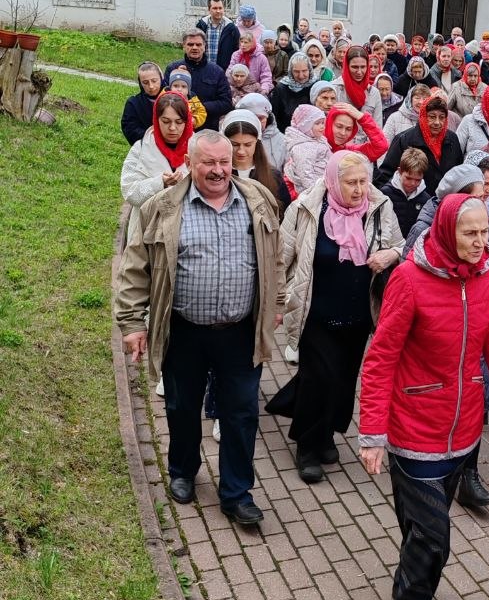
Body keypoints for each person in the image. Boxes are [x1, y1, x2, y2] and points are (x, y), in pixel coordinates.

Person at [357, 193, 489, 600]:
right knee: (434, 537)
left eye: (484, 231)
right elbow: (381, 357)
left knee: (420, 532)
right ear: (447, 230)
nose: (480, 242)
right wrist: (372, 433)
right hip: (413, 427)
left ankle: (411, 588)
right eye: (469, 233)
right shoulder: (410, 279)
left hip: (465, 429)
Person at [114, 130, 284, 527]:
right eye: (208, 162)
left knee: (241, 413)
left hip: (240, 331)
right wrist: (132, 323)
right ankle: (183, 470)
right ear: (190, 163)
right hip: (183, 330)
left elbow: (274, 258)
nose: (218, 170)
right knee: (182, 406)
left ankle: (237, 493)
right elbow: (135, 267)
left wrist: (275, 305)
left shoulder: (257, 200)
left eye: (224, 162)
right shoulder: (164, 206)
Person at [276, 151, 403, 483]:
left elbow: (401, 245)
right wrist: (276, 302)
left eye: (363, 181)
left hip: (359, 314)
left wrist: (390, 253)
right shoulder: (307, 208)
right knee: (319, 378)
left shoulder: (379, 207)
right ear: (334, 182)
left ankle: (327, 434)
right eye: (351, 183)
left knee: (344, 381)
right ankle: (307, 446)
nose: (359, 189)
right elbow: (281, 255)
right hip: (315, 311)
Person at [120, 89, 192, 240]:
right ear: (156, 119)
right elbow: (129, 191)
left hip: (186, 234)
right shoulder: (141, 148)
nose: (172, 128)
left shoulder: (199, 149)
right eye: (166, 121)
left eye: (179, 122)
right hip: (146, 234)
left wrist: (185, 185)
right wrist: (159, 183)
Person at [375, 94, 464, 195]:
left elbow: (458, 172)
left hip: (446, 201)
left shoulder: (452, 139)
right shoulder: (404, 140)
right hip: (413, 203)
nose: (437, 122)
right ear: (423, 117)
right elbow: (385, 176)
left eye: (442, 117)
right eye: (432, 117)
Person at [221, 109, 289, 215]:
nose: (241, 151)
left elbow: (284, 212)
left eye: (248, 145)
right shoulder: (218, 175)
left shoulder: (273, 176)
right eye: (234, 144)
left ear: (257, 143)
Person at [164, 29, 232, 131]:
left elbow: (226, 103)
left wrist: (199, 107)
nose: (194, 47)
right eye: (190, 44)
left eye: (198, 44)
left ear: (205, 46)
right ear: (184, 46)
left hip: (207, 130)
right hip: (177, 130)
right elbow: (163, 98)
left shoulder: (217, 72)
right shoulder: (173, 69)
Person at [381, 146, 431, 237]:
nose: (412, 183)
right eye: (408, 178)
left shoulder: (426, 199)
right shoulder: (385, 194)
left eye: (418, 180)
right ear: (400, 171)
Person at [333, 44, 383, 126]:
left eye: (363, 67)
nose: (359, 72)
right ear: (347, 66)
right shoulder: (334, 89)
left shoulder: (374, 93)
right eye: (355, 67)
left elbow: (377, 127)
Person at [236, 91, 286, 171]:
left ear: (267, 118)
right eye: (251, 117)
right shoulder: (230, 138)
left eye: (260, 118)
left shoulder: (283, 140)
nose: (256, 122)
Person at [324, 103, 388, 164]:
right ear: (329, 123)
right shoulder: (315, 144)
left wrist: (363, 118)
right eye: (339, 126)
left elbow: (381, 147)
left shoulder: (350, 153)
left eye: (348, 129)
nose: (343, 133)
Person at [121, 61, 165, 144]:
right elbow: (130, 129)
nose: (151, 86)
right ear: (140, 83)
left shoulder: (173, 98)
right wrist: (154, 138)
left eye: (154, 81)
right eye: (145, 83)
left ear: (161, 78)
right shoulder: (133, 103)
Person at [271, 52, 315, 132]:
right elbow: (274, 117)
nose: (301, 76)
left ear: (310, 69)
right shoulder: (281, 88)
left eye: (304, 71)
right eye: (296, 71)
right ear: (290, 71)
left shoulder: (315, 86)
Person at [196, 0, 241, 70]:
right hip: (203, 68)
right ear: (209, 9)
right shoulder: (201, 25)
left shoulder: (231, 28)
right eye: (215, 8)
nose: (218, 11)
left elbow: (237, 50)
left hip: (223, 70)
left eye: (220, 8)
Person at [383, 81, 432, 147]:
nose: (421, 102)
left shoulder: (431, 120)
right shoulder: (394, 118)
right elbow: (384, 143)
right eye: (417, 98)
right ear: (410, 99)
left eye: (424, 99)